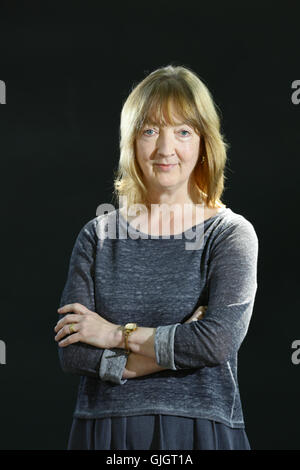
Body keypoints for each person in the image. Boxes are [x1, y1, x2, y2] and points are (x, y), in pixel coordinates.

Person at [54, 64, 258, 450]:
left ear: (203, 143)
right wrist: (181, 342)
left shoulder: (230, 234)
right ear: (131, 141)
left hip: (201, 432)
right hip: (105, 432)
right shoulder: (98, 235)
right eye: (150, 130)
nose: (166, 149)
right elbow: (75, 353)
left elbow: (215, 342)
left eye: (183, 131)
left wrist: (115, 334)